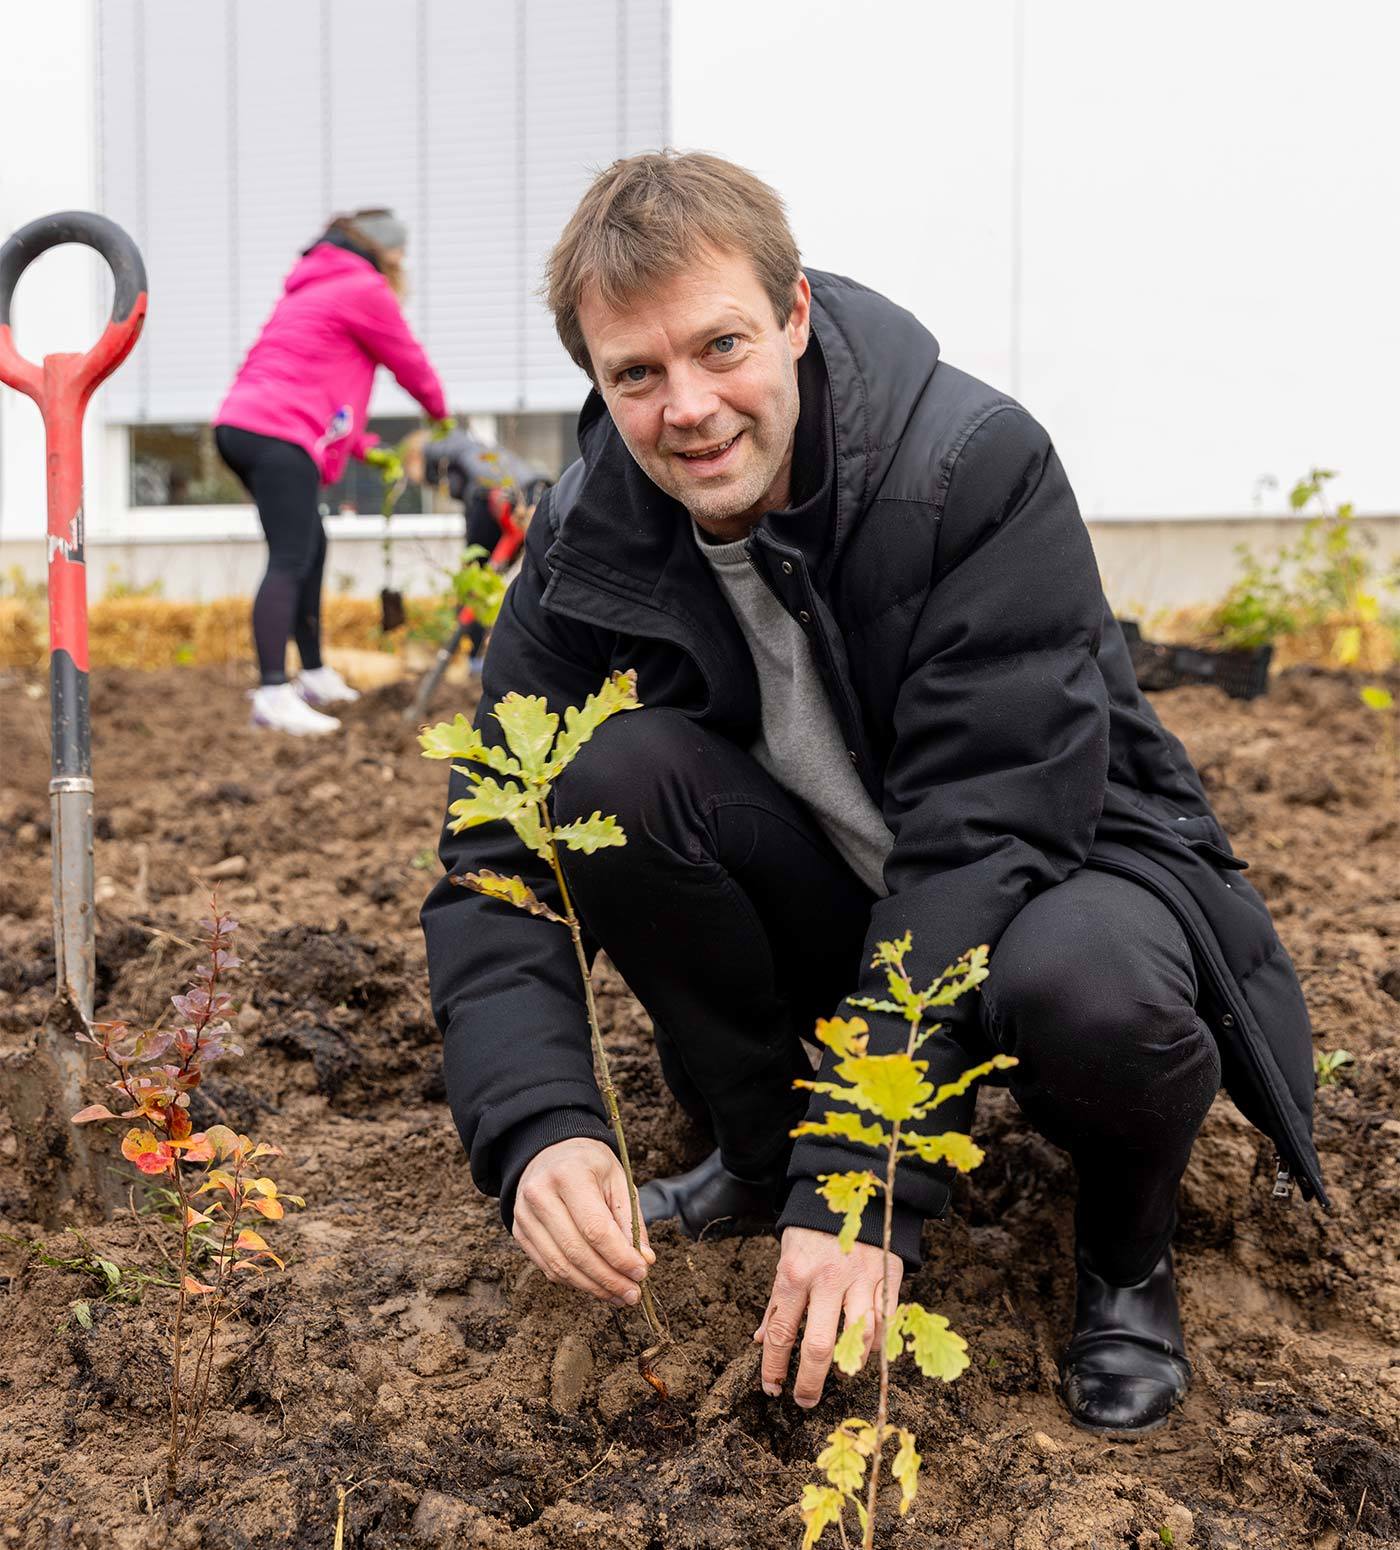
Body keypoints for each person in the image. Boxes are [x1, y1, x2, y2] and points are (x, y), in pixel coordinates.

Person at [420, 153, 1324, 1436]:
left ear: (791, 314)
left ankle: (1124, 1256)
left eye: (720, 345)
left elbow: (979, 835)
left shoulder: (970, 467)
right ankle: (752, 1150)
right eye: (635, 373)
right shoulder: (589, 533)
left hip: (1057, 871)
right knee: (593, 784)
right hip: (839, 883)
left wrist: (862, 1181)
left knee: (1085, 992)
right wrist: (538, 1123)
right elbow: (496, 853)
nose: (686, 406)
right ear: (598, 378)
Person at [215, 208, 448, 734]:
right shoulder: (363, 288)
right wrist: (442, 418)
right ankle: (273, 691)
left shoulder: (311, 288)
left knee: (310, 547)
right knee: (291, 555)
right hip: (277, 433)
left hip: (247, 425)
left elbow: (313, 387)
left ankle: (313, 672)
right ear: (386, 253)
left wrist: (365, 448)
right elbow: (409, 362)